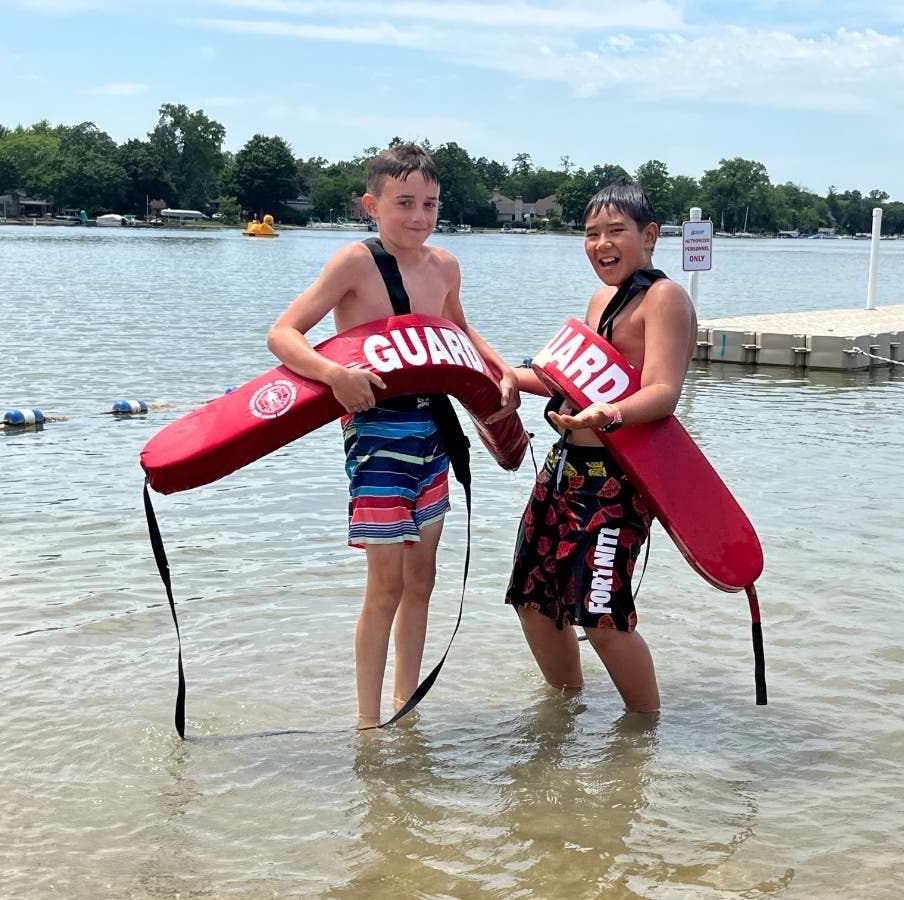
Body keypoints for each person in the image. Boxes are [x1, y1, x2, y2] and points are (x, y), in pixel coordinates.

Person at [267, 142, 519, 727]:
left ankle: (406, 711)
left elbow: (459, 329)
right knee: (385, 586)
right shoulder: (353, 264)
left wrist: (500, 370)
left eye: (429, 204)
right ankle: (367, 723)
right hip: (376, 434)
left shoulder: (445, 266)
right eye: (404, 202)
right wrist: (334, 374)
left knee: (421, 580)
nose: (418, 216)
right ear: (371, 205)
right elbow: (283, 334)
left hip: (434, 430)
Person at [506, 179, 696, 713]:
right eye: (591, 234)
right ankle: (562, 714)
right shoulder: (600, 300)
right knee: (532, 600)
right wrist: (507, 377)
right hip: (562, 468)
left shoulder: (665, 298)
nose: (601, 244)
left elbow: (663, 392)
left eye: (616, 231)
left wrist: (608, 414)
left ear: (649, 235)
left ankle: (644, 732)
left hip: (618, 481)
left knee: (602, 617)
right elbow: (567, 380)